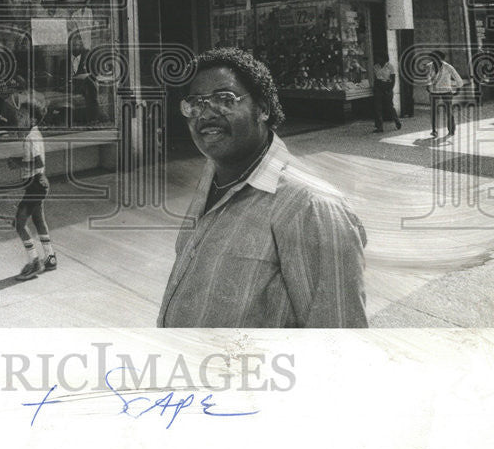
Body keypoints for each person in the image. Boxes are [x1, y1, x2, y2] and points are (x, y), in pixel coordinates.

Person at [157, 47, 368, 328]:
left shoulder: (312, 207)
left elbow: (338, 341)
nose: (206, 113)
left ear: (263, 109)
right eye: (195, 103)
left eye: (225, 99)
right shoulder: (214, 178)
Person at [8, 98, 56, 280]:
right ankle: (50, 257)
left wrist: (16, 163)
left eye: (22, 116)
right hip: (36, 185)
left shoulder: (31, 137)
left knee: (19, 223)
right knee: (38, 220)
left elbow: (38, 162)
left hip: (35, 184)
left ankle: (34, 262)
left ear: (33, 120)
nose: (18, 118)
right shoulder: (33, 134)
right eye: (18, 115)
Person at [426, 51, 464, 137]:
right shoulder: (429, 66)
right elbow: (427, 77)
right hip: (434, 91)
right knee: (433, 111)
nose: (433, 60)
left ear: (440, 58)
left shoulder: (447, 67)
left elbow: (457, 77)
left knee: (448, 111)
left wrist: (458, 88)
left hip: (446, 91)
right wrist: (428, 85)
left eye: (435, 58)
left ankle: (451, 130)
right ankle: (434, 130)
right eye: (432, 58)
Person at [69, 33, 100, 124]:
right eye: (72, 45)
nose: (74, 47)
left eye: (77, 45)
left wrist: (87, 76)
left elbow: (95, 72)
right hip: (70, 85)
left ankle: (92, 118)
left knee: (91, 92)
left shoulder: (88, 56)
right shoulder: (66, 59)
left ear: (81, 45)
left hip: (86, 84)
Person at [371, 52, 402, 132]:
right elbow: (375, 78)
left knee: (390, 106)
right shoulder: (375, 67)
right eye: (377, 57)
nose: (378, 59)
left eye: (379, 57)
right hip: (378, 87)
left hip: (387, 86)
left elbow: (393, 79)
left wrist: (389, 89)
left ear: (384, 58)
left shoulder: (390, 66)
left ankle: (397, 121)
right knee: (377, 108)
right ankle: (379, 127)